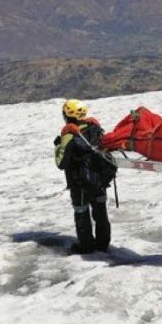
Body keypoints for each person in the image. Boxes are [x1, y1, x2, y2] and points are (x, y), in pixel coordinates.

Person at [54, 99, 115, 254]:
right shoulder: (96, 128)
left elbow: (61, 163)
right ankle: (103, 244)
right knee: (100, 211)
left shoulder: (69, 135)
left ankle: (86, 246)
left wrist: (58, 146)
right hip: (100, 180)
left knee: (82, 212)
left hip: (80, 182)